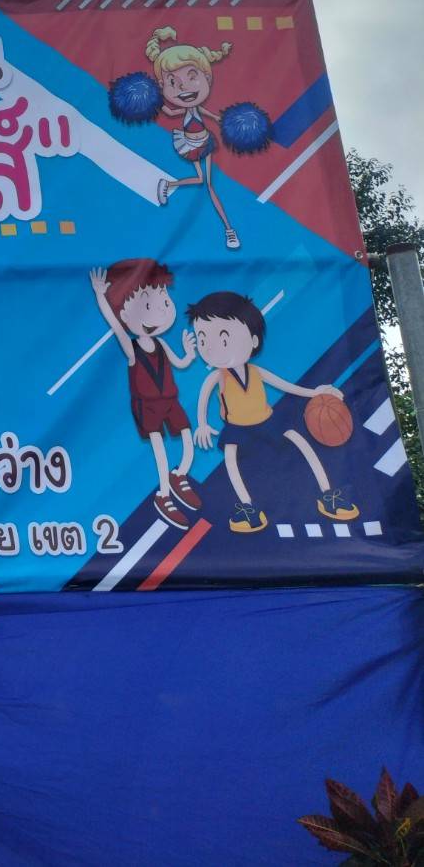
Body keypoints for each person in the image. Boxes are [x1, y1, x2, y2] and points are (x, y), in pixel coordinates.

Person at [188, 291, 356, 532]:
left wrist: (315, 392)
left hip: (266, 419)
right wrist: (202, 424)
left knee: (300, 441)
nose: (212, 348)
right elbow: (203, 398)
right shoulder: (218, 376)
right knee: (230, 458)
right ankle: (249, 509)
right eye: (203, 340)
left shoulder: (257, 372)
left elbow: (287, 386)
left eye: (223, 339)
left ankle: (328, 496)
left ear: (254, 341)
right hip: (237, 426)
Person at [89, 260, 201, 529]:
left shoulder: (161, 343)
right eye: (148, 306)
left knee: (188, 438)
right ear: (126, 314)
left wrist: (189, 354)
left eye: (164, 302)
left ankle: (179, 474)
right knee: (160, 450)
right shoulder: (132, 348)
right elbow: (115, 326)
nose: (160, 311)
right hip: (147, 406)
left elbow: (180, 363)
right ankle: (164, 495)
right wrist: (101, 296)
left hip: (170, 401)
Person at [144, 26, 241, 249]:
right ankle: (229, 230)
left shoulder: (196, 108)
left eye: (191, 77)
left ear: (206, 77)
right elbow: (170, 112)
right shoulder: (186, 110)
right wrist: (153, 100)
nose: (182, 87)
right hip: (190, 144)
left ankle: (169, 185)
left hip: (206, 141)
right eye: (172, 82)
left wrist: (222, 119)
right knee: (205, 184)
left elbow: (210, 114)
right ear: (163, 86)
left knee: (205, 183)